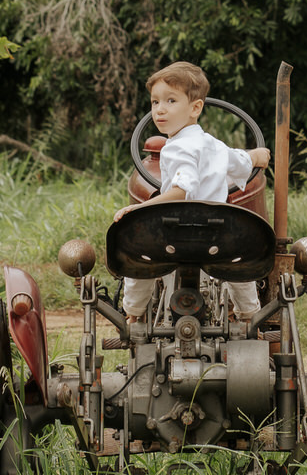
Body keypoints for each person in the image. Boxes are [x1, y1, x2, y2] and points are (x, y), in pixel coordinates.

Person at [115, 61, 271, 323]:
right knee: (238, 259)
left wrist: (139, 209)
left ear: (195, 108)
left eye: (171, 100)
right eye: (155, 102)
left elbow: (182, 190)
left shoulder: (175, 148)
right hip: (217, 232)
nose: (160, 109)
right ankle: (249, 314)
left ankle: (133, 312)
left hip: (175, 233)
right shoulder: (214, 145)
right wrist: (257, 156)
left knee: (139, 252)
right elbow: (240, 160)